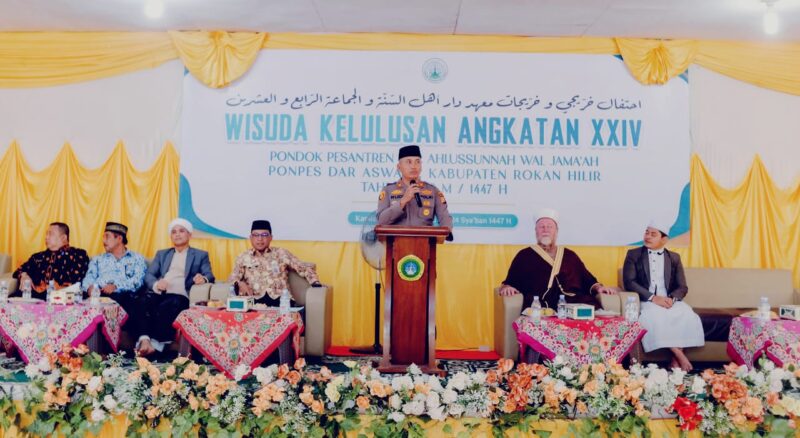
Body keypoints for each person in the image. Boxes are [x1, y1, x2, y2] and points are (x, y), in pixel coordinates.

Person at [623, 220, 704, 371]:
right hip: (647, 300)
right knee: (655, 316)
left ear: (664, 239)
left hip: (669, 300)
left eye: (653, 234)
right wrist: (653, 298)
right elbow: (629, 282)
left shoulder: (674, 257)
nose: (648, 236)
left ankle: (674, 360)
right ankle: (678, 354)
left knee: (686, 313)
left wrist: (671, 299)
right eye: (647, 232)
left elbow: (682, 287)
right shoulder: (633, 254)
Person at [499, 208, 617, 310]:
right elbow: (510, 282)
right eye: (541, 227)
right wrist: (507, 287)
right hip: (542, 306)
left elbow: (587, 279)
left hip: (574, 303)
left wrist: (599, 287)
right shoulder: (524, 256)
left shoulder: (570, 255)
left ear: (556, 231)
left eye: (550, 227)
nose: (545, 230)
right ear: (536, 231)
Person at [139, 218, 215, 357]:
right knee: (142, 302)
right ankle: (145, 340)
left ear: (189, 235)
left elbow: (209, 275)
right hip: (161, 293)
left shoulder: (200, 255)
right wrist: (156, 284)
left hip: (181, 296)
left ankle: (155, 346)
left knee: (170, 304)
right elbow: (149, 274)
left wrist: (202, 279)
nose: (177, 234)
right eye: (173, 232)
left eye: (181, 231)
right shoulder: (162, 254)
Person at [229, 220, 321, 306]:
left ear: (271, 238)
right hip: (255, 303)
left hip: (281, 302)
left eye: (264, 235)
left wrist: (315, 282)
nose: (260, 239)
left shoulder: (281, 253)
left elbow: (303, 267)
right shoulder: (243, 257)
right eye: (256, 235)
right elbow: (233, 278)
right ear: (251, 238)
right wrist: (239, 283)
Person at [82, 222, 148, 341]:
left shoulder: (137, 258)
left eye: (107, 236)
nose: (103, 241)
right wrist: (89, 287)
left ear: (119, 238)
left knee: (133, 300)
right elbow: (89, 277)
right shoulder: (98, 259)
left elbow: (137, 281)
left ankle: (143, 341)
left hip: (126, 296)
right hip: (100, 296)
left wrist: (116, 286)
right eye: (103, 237)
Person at [376, 145, 453, 237]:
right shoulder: (388, 190)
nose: (413, 166)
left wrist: (446, 231)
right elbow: (381, 221)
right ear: (399, 167)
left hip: (424, 242)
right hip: (395, 242)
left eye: (417, 162)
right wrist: (403, 201)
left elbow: (445, 217)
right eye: (409, 162)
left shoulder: (433, 191)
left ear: (421, 166)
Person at [12, 222, 90, 297]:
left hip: (65, 298)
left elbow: (77, 282)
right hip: (35, 297)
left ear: (63, 238)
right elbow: (19, 270)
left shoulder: (78, 255)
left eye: (51, 234)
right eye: (46, 234)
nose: (46, 237)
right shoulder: (38, 257)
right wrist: (24, 275)